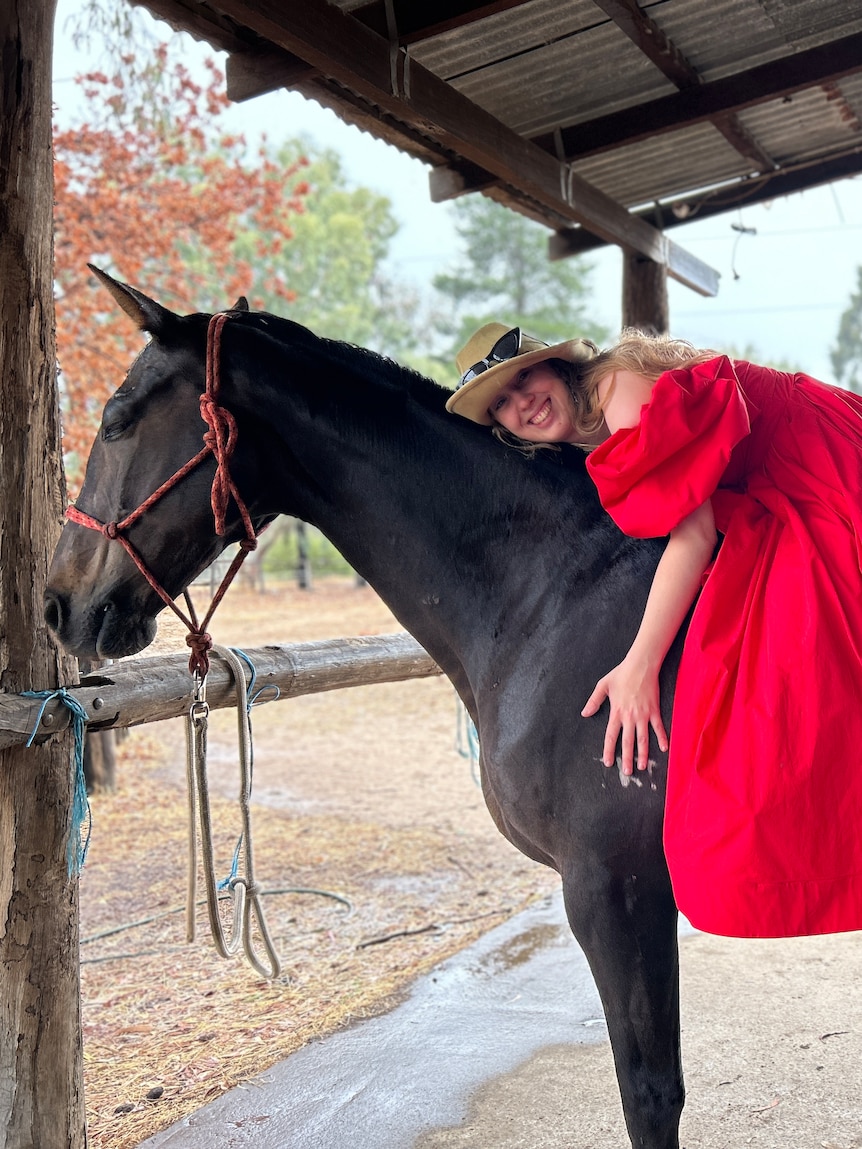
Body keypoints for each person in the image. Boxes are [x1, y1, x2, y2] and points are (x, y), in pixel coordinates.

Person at [445, 322, 862, 939]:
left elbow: (690, 534)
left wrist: (640, 665)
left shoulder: (618, 387)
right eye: (501, 403)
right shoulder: (586, 438)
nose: (521, 404)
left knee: (798, 645)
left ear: (557, 367)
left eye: (524, 377)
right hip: (771, 484)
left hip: (816, 459)